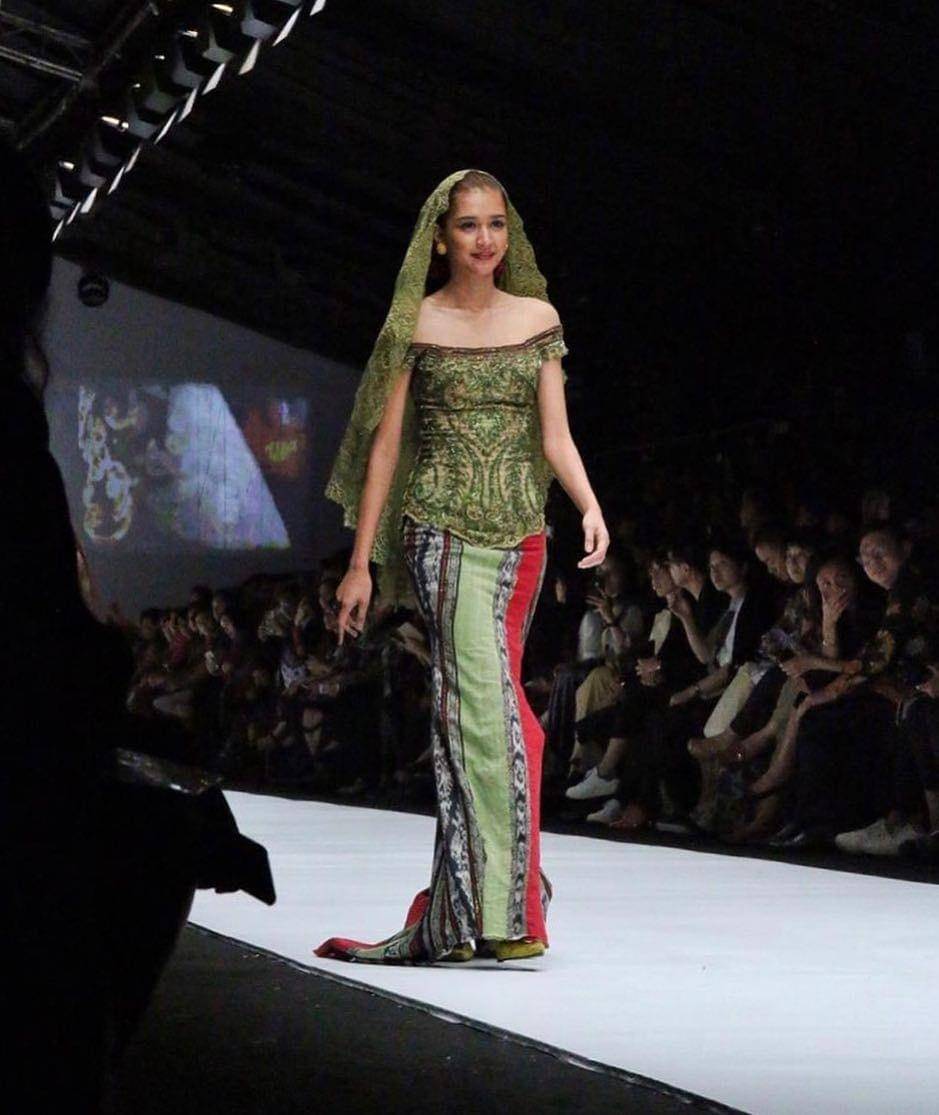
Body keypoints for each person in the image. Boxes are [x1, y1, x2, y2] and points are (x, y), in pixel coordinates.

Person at [315, 169, 608, 964]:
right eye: (469, 225)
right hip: (438, 528)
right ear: (439, 238)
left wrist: (588, 504)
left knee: (483, 707)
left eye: (496, 224)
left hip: (522, 537)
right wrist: (361, 562)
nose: (484, 239)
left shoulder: (537, 317)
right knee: (490, 710)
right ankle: (507, 907)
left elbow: (555, 435)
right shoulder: (416, 322)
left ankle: (481, 900)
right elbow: (385, 446)